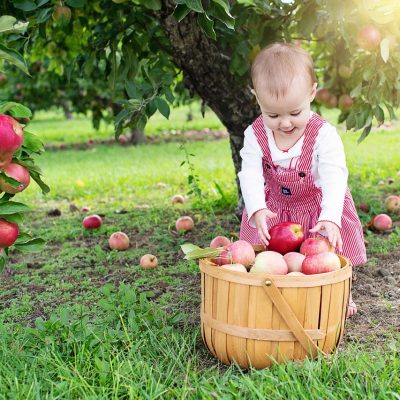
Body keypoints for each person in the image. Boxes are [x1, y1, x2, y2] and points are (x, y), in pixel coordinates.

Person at [238, 43, 367, 318]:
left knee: (327, 254)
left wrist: (331, 216)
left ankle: (340, 293)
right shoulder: (255, 134)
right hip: (275, 207)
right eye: (272, 115)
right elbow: (249, 172)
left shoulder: (323, 134)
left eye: (295, 113)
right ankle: (273, 294)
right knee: (271, 257)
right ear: (256, 98)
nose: (285, 123)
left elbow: (335, 176)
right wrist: (258, 208)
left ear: (312, 92)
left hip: (317, 206)